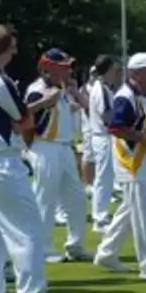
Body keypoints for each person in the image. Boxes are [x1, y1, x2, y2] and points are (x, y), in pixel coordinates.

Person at [0, 25, 66, 293]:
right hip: (1, 160)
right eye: (13, 48)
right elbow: (24, 121)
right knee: (27, 227)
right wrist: (44, 104)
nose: (15, 52)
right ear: (6, 49)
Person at [96, 53, 146, 280]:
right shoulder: (126, 96)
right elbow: (116, 127)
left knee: (130, 209)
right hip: (133, 162)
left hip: (145, 160)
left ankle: (107, 253)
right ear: (136, 74)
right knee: (143, 214)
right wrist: (142, 138)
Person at [25, 49, 92, 264]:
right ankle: (42, 247)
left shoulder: (62, 88)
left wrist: (73, 92)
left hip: (64, 147)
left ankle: (76, 244)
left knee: (77, 198)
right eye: (63, 66)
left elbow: (85, 107)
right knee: (45, 199)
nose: (68, 70)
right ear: (49, 67)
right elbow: (26, 117)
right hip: (45, 146)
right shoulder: (37, 89)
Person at [82, 54, 120, 229]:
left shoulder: (102, 87)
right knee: (104, 178)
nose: (116, 72)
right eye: (114, 69)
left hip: (102, 136)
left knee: (106, 177)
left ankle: (102, 214)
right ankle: (99, 217)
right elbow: (106, 115)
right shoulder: (102, 89)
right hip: (103, 136)